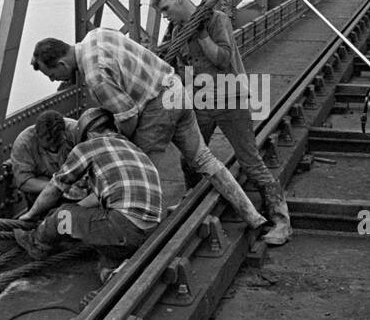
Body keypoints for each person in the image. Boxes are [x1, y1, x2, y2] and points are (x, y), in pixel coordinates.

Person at [30, 29, 269, 236]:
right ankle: (252, 215)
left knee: (133, 174)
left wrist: (123, 144)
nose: (55, 81)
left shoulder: (95, 76)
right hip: (175, 88)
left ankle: (137, 235)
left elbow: (128, 115)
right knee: (204, 159)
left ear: (62, 64)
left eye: (52, 75)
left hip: (157, 108)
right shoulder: (96, 35)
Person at [151, 0, 291, 245]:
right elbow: (166, 60)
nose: (165, 15)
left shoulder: (216, 20)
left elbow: (223, 59)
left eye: (166, 9)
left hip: (230, 98)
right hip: (200, 100)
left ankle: (281, 221)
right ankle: (192, 202)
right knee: (189, 158)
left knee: (250, 161)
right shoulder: (175, 30)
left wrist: (201, 34)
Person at [15, 108, 162, 262]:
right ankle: (109, 268)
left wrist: (31, 214)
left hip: (124, 227)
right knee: (79, 221)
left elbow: (54, 188)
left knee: (62, 215)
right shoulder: (132, 149)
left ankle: (36, 244)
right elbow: (98, 198)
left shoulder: (89, 146)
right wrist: (76, 213)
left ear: (89, 134)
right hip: (149, 231)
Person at [9, 109, 78, 196]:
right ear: (37, 134)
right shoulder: (24, 143)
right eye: (48, 141)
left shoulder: (75, 130)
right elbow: (24, 181)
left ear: (64, 132)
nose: (53, 146)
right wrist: (56, 186)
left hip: (76, 180)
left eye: (57, 141)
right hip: (45, 188)